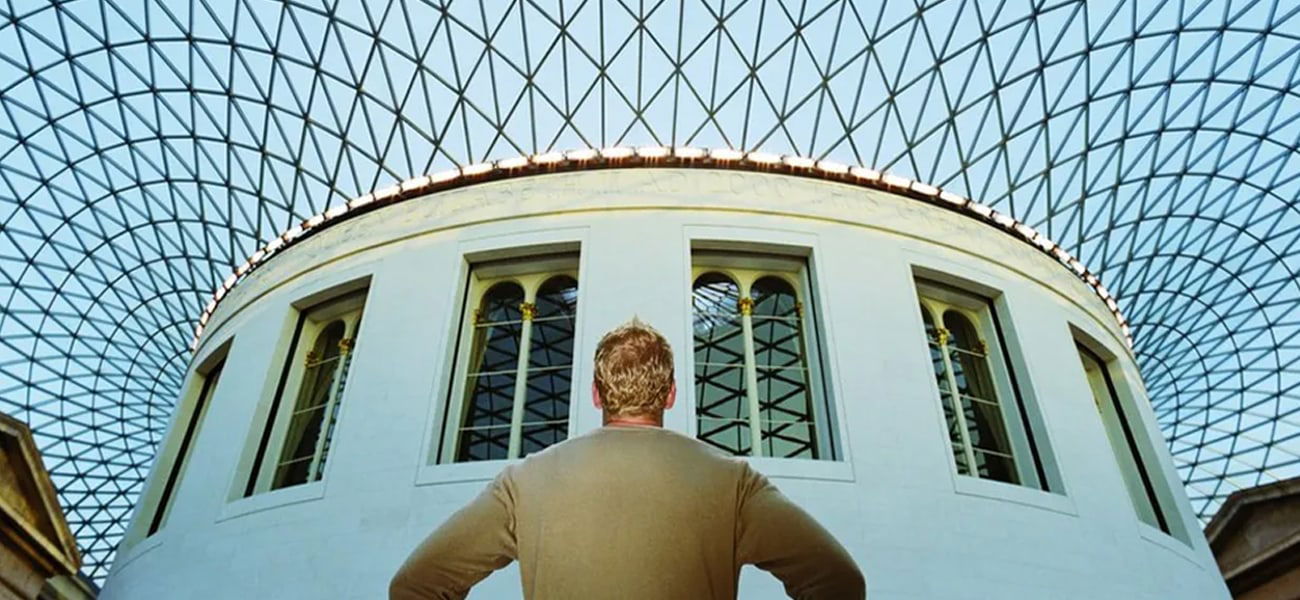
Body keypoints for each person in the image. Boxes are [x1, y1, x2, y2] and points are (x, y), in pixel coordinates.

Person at [389, 318, 865, 599]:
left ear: (596, 395)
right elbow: (841, 582)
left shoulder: (523, 482)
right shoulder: (735, 482)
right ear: (672, 393)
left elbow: (413, 587)